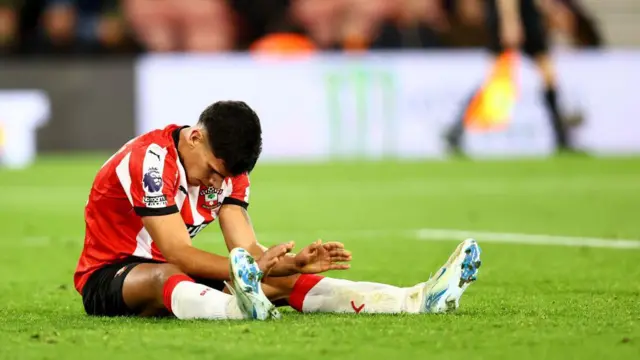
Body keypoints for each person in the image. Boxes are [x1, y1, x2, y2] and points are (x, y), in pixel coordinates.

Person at [74, 100, 482, 320]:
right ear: (195, 137)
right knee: (169, 273)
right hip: (113, 276)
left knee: (283, 286)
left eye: (225, 178)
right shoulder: (148, 163)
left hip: (187, 278)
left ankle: (415, 300)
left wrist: (288, 264)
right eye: (213, 173)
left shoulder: (228, 172)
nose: (216, 184)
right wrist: (250, 271)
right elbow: (178, 252)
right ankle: (239, 308)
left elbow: (246, 249)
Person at [445, 0, 577, 155]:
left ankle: (561, 137)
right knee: (497, 77)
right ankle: (457, 129)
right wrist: (510, 19)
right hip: (513, 14)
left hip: (524, 12)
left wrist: (552, 9)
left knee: (547, 75)